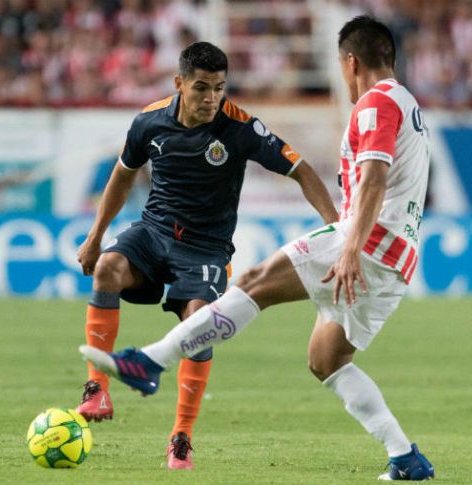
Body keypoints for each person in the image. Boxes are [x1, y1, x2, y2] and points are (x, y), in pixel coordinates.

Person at [80, 17, 435, 481]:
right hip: (396, 261)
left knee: (252, 284)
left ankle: (149, 361)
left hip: (364, 244)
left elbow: (373, 179)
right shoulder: (409, 105)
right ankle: (404, 455)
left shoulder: (375, 104)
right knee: (326, 360)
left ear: (350, 62)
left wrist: (347, 248)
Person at [74, 41, 338, 470]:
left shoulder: (240, 128)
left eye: (219, 87)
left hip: (205, 248)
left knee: (200, 324)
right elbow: (122, 178)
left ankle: (181, 436)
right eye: (201, 88)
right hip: (154, 231)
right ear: (180, 84)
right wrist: (95, 236)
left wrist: (336, 231)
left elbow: (302, 171)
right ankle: (96, 391)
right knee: (107, 267)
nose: (212, 98)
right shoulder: (148, 122)